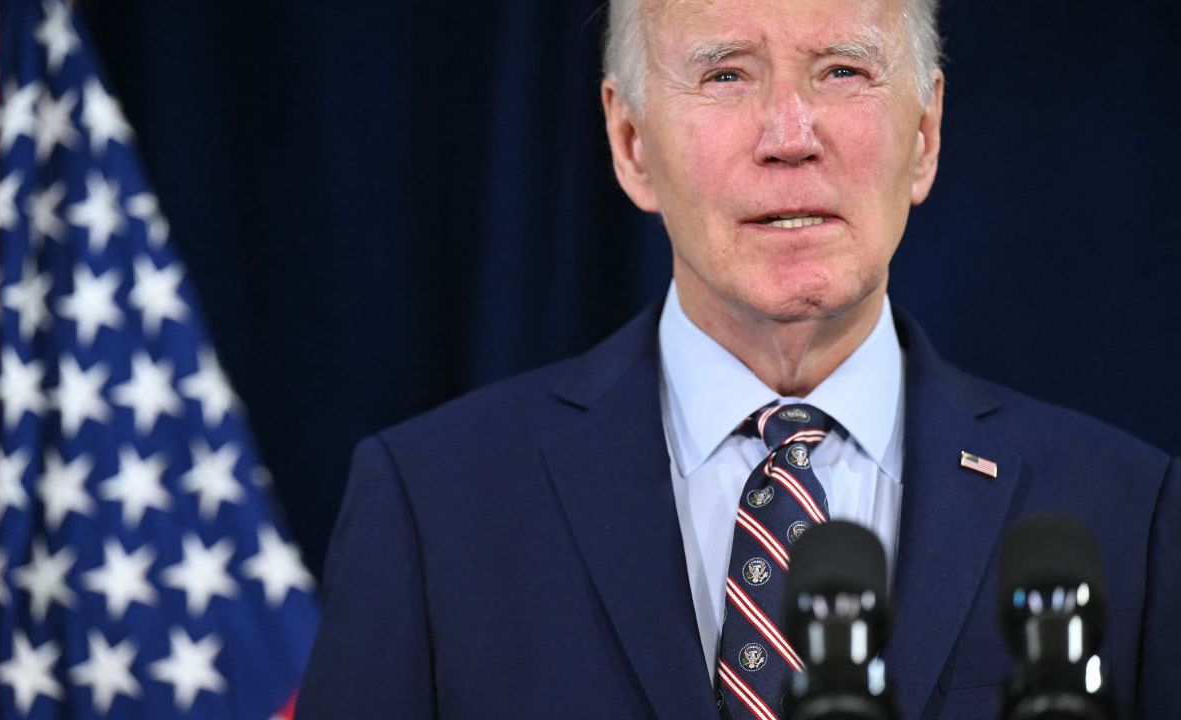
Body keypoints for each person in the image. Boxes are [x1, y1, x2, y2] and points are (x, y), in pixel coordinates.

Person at [296, 0, 1180, 717]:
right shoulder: (430, 507)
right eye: (725, 74)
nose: (790, 134)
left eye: (843, 70)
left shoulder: (1128, 516)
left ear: (925, 135)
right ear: (631, 142)